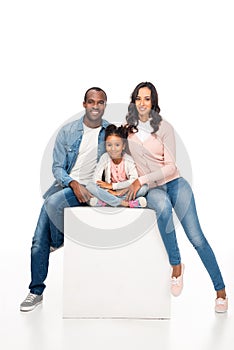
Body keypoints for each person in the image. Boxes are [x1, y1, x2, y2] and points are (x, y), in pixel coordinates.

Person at [124, 81, 228, 313]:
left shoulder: (164, 128)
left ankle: (220, 291)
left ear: (154, 102)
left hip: (175, 184)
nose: (142, 103)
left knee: (197, 237)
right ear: (133, 101)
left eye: (147, 98)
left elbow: (171, 167)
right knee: (162, 210)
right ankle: (176, 265)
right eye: (138, 98)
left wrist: (141, 179)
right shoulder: (127, 130)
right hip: (154, 190)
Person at [20, 87, 109, 312]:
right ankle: (36, 292)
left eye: (100, 102)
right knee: (38, 240)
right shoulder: (67, 131)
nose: (95, 106)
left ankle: (57, 241)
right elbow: (57, 168)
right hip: (67, 187)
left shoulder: (111, 132)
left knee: (51, 204)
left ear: (104, 105)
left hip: (94, 190)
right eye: (91, 102)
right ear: (84, 104)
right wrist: (73, 183)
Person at [86, 124, 148, 208]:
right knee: (90, 186)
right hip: (109, 192)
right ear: (105, 145)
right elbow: (96, 180)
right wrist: (109, 190)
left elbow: (133, 180)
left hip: (125, 191)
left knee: (144, 188)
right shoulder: (104, 158)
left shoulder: (128, 159)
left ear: (123, 146)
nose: (113, 149)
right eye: (109, 145)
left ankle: (106, 201)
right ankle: (125, 203)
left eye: (117, 145)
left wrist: (114, 186)